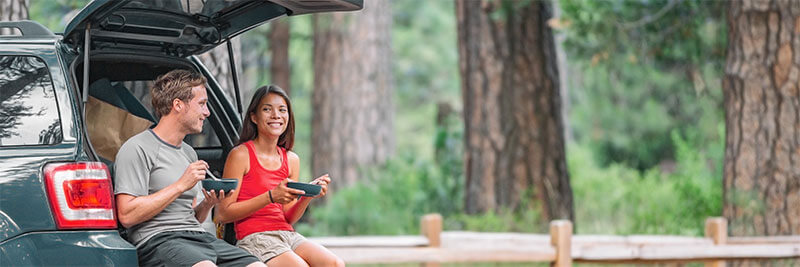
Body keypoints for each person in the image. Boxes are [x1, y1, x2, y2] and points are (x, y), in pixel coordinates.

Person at [114, 69, 265, 267]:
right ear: (178, 105)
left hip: (198, 237)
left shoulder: (188, 152)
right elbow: (127, 215)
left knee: (257, 265)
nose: (207, 112)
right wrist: (180, 185)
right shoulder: (136, 148)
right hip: (158, 240)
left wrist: (207, 204)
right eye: (201, 104)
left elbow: (190, 216)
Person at [216, 85, 344, 266]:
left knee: (335, 264)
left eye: (282, 110)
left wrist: (307, 195)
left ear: (288, 117)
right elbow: (222, 214)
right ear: (254, 117)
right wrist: (270, 197)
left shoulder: (291, 159)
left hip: (287, 235)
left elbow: (288, 217)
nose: (276, 115)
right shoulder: (241, 155)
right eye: (267, 109)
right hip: (255, 237)